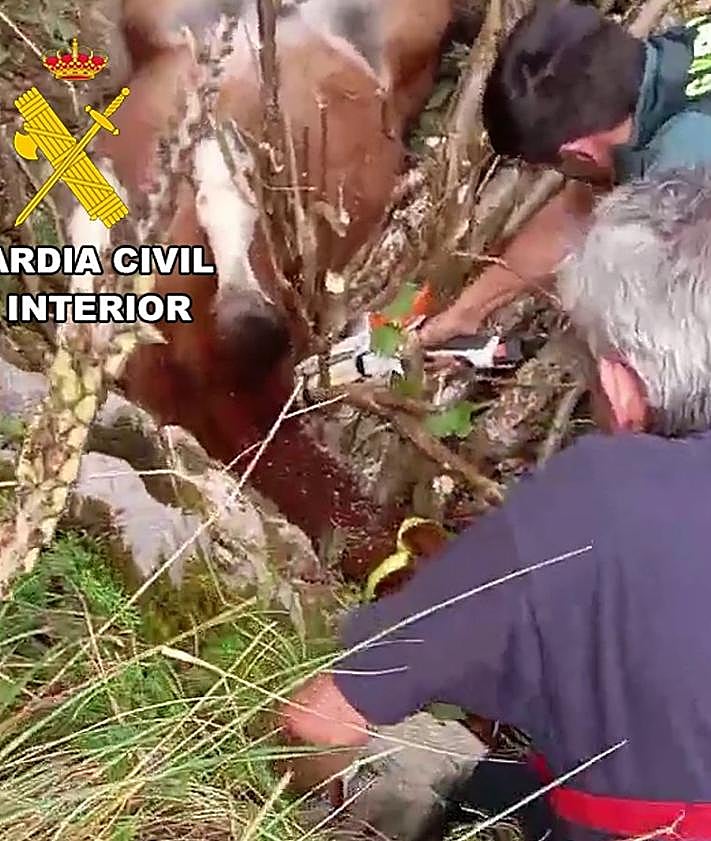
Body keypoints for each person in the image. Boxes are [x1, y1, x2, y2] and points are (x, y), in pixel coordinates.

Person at [280, 168, 711, 841]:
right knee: (493, 785)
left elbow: (318, 721)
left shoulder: (598, 498)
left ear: (619, 388)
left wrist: (306, 812)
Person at [418, 2, 711, 346]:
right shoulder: (666, 57)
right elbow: (576, 209)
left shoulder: (683, 176)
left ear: (579, 152)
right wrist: (467, 311)